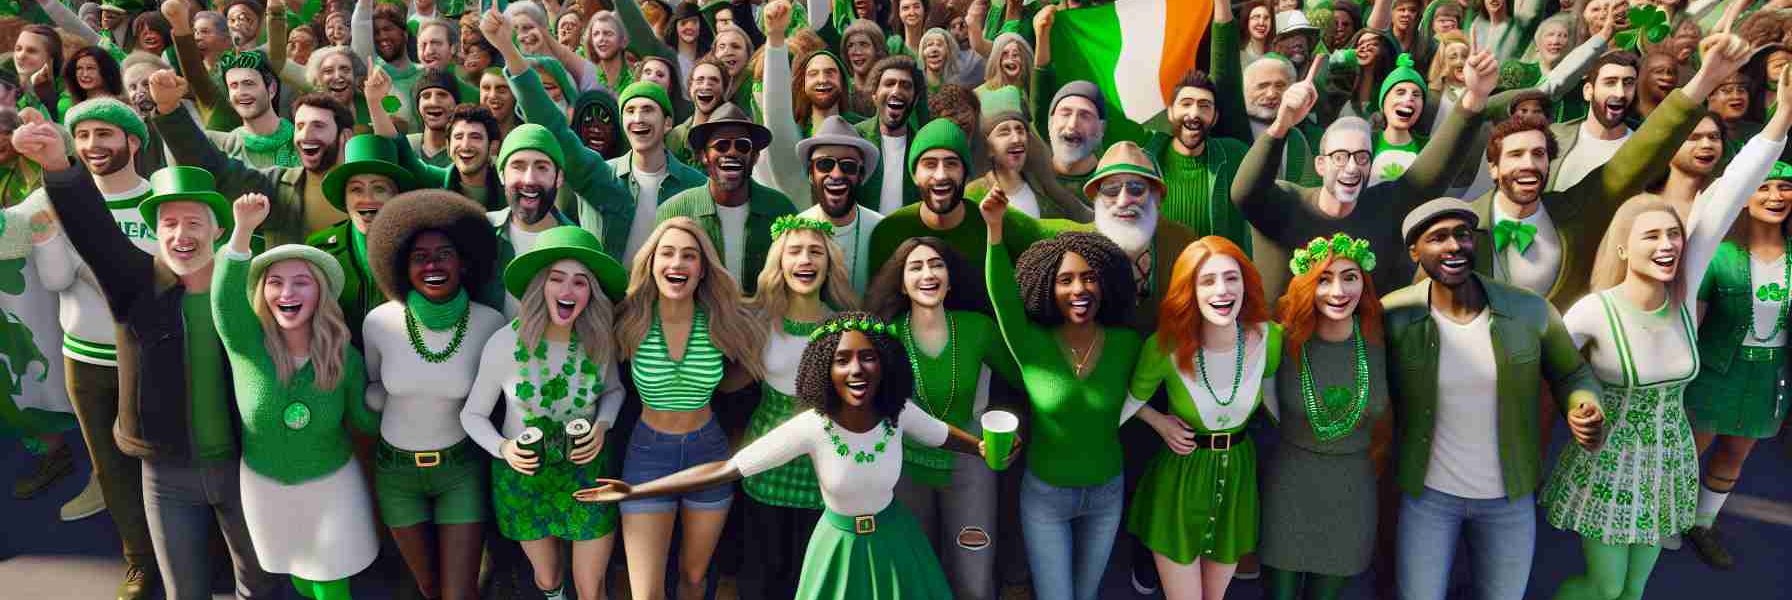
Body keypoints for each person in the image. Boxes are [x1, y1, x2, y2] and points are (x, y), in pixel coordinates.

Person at [1539, 79, 1780, 600]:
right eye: (1652, 236)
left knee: (1634, 593)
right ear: (1623, 249)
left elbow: (1731, 190)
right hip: (1607, 466)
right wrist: (1575, 406)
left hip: (1668, 465)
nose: (1669, 244)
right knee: (1603, 589)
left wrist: (1782, 119)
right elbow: (1546, 363)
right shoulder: (1593, 311)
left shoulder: (1684, 292)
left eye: (1673, 235)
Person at [577, 311, 1004, 600]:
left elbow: (938, 434)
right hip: (838, 548)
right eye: (843, 360)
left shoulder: (897, 412)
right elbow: (727, 468)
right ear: (826, 370)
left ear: (885, 364)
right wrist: (638, 489)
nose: (856, 369)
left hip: (896, 543)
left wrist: (980, 447)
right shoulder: (812, 426)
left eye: (868, 358)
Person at [1384, 198, 1605, 600]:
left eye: (1462, 235)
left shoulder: (1528, 310)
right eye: (1437, 238)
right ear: (1415, 252)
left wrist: (1583, 405)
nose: (1453, 246)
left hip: (1509, 498)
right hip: (1428, 498)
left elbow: (1572, 373)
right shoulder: (1394, 315)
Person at [213, 193, 379, 600]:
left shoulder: (345, 357)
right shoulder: (247, 344)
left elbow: (364, 421)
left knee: (330, 577)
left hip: (332, 484)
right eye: (275, 281)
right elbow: (223, 299)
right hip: (265, 486)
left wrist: (391, 399)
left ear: (320, 292)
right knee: (301, 573)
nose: (287, 292)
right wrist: (242, 231)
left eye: (301, 281)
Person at [980, 186, 1140, 600]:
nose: (1078, 289)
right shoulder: (1032, 344)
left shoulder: (1126, 344)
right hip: (1045, 499)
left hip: (1107, 495)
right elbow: (1002, 299)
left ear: (1104, 284)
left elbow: (1143, 394)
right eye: (1065, 280)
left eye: (1089, 278)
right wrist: (994, 230)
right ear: (1048, 288)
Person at [462, 226, 631, 600]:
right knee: (549, 577)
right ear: (541, 286)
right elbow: (472, 414)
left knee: (592, 588)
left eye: (580, 282)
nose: (568, 291)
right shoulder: (504, 343)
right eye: (557, 279)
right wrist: (503, 448)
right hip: (526, 481)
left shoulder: (597, 339)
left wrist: (603, 425)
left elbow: (615, 391)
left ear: (591, 293)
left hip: (588, 476)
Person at [611, 217, 767, 600]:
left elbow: (755, 362)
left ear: (702, 270)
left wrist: (719, 388)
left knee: (694, 577)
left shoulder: (722, 321)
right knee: (645, 592)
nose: (677, 264)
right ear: (650, 263)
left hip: (708, 453)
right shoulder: (628, 320)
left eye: (689, 256)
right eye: (667, 253)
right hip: (647, 453)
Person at [361, 190, 505, 600]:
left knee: (459, 592)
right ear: (403, 266)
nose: (432, 266)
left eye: (444, 254)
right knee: (427, 587)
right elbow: (374, 387)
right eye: (419, 257)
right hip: (396, 473)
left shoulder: (489, 324)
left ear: (463, 262)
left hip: (460, 470)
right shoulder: (378, 322)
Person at [1120, 234, 1278, 600]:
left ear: (1246, 283)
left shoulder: (1270, 339)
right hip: (1180, 482)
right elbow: (1124, 406)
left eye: (1231, 277)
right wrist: (1158, 422)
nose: (1222, 290)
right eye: (1207, 280)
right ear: (1188, 289)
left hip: (1236, 480)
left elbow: (1275, 403)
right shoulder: (1164, 347)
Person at [1260, 233, 1392, 600]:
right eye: (1324, 278)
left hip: (1353, 490)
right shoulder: (1281, 341)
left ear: (1363, 283)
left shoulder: (1382, 340)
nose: (1338, 290)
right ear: (1307, 285)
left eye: (1349, 277)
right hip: (1290, 485)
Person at [735, 215, 860, 598]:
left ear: (829, 264)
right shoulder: (760, 323)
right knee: (763, 568)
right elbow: (734, 382)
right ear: (780, 262)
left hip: (823, 464)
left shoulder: (845, 326)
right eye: (795, 252)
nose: (805, 260)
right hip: (767, 460)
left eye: (815, 252)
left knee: (812, 569)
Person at [1681, 163, 1792, 570]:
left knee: (1736, 452)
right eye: (1764, 187)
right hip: (1716, 370)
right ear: (1744, 195)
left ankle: (1702, 523)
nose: (1776, 196)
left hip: (1769, 375)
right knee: (1688, 450)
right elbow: (1693, 319)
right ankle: (1664, 518)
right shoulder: (1720, 254)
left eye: (1786, 187)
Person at [655, 102, 798, 290]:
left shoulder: (780, 209)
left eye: (742, 146)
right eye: (721, 146)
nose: (732, 152)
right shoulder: (675, 211)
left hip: (762, 317)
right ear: (704, 156)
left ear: (755, 156)